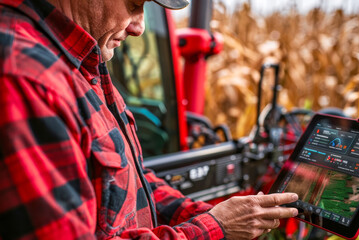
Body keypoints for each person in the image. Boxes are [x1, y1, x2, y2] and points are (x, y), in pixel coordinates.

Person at [0, 0, 299, 239]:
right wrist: (213, 228)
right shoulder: (26, 78)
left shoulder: (82, 57)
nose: (139, 27)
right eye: (133, 5)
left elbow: (125, 181)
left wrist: (208, 214)